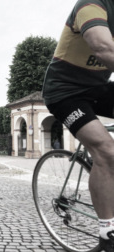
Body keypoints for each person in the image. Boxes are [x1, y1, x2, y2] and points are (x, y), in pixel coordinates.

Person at [42, 0, 114, 249]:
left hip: (98, 89)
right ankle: (107, 236)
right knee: (106, 150)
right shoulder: (92, 4)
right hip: (65, 93)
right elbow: (103, 47)